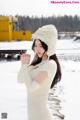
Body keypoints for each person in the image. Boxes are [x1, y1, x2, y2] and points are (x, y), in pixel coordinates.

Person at [17, 24, 61, 120]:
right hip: (32, 115)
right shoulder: (37, 63)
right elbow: (20, 79)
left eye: (41, 45)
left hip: (42, 115)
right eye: (35, 45)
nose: (37, 49)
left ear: (49, 45)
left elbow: (32, 88)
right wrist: (24, 65)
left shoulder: (50, 64)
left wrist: (25, 66)